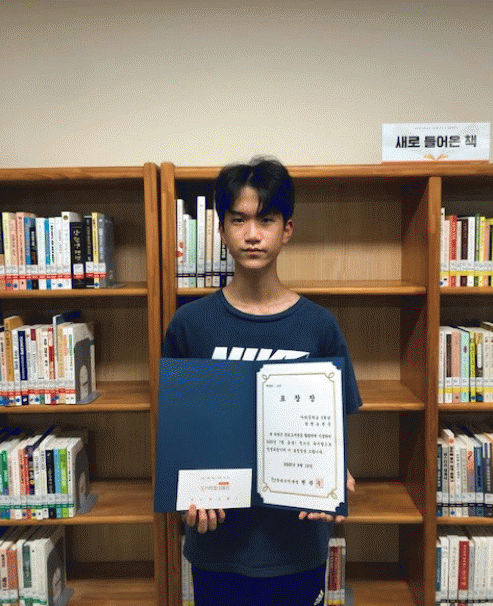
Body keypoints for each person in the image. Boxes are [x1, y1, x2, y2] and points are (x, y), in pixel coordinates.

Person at [163, 156, 362, 606]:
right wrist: (183, 493)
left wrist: (336, 473)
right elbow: (179, 432)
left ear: (287, 229)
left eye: (266, 220)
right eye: (239, 220)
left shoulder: (318, 326)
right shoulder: (190, 324)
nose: (252, 234)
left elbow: (335, 427)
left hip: (296, 546)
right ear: (221, 230)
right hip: (217, 546)